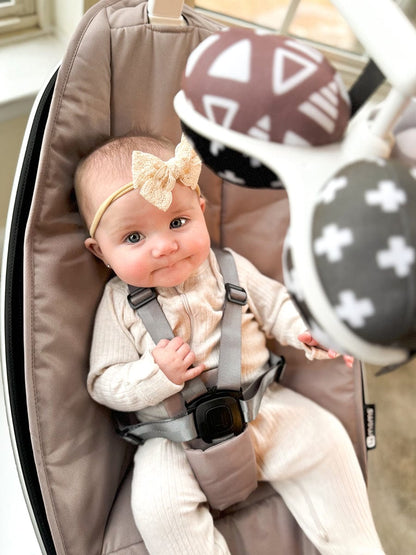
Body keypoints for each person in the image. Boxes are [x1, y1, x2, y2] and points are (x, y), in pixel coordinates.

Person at [74, 133, 384, 555]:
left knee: (325, 438)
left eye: (177, 222)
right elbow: (103, 382)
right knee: (157, 505)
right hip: (174, 440)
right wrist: (154, 374)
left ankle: (358, 547)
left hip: (261, 409)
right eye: (133, 238)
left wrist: (305, 330)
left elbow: (275, 305)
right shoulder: (117, 304)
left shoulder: (227, 266)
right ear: (100, 252)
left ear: (201, 211)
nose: (164, 246)